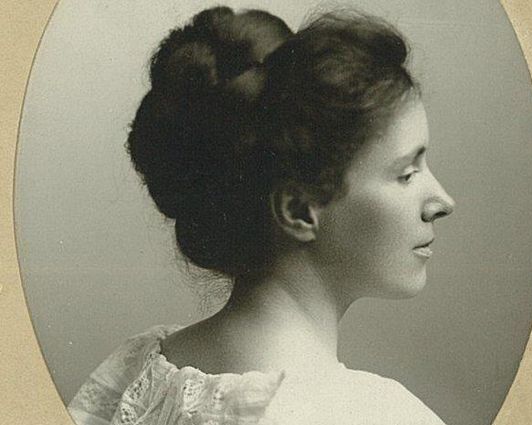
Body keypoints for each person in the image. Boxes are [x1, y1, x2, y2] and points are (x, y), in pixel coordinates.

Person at [68, 6, 455, 425]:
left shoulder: (134, 371)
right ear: (299, 210)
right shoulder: (376, 416)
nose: (442, 201)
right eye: (407, 173)